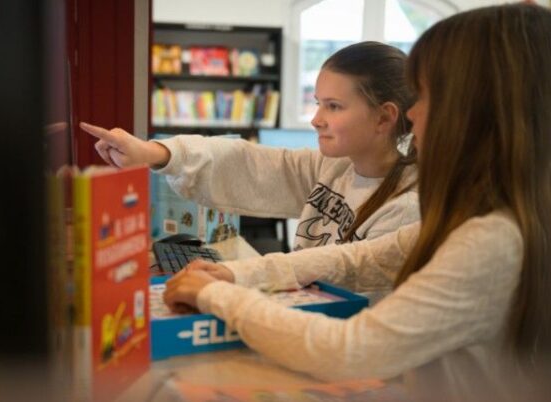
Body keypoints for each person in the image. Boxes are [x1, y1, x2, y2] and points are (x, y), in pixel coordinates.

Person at [162, 4, 551, 401]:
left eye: (428, 95)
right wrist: (236, 275)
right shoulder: (483, 215)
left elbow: (349, 351)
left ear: (478, 112)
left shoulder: (492, 241)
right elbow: (355, 259)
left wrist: (217, 294)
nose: (413, 113)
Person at [81, 41, 419, 252]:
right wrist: (156, 153)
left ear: (383, 117)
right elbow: (248, 161)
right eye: (318, 104)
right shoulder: (333, 166)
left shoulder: (406, 209)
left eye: (334, 106)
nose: (317, 120)